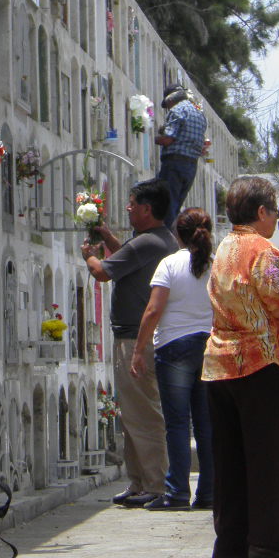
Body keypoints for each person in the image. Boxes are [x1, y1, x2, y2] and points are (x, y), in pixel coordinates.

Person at [202, 176, 279, 558]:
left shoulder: (222, 248)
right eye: (273, 211)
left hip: (220, 364)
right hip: (262, 361)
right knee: (267, 457)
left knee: (230, 458)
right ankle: (266, 540)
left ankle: (231, 540)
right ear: (261, 212)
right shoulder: (262, 250)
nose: (275, 219)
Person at [82, 178, 177, 507]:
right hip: (137, 336)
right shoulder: (158, 240)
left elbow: (104, 272)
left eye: (133, 203)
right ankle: (138, 483)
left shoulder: (148, 242)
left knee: (143, 415)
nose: (128, 208)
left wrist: (89, 255)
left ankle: (153, 483)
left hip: (135, 339)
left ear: (147, 209)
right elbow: (127, 257)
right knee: (134, 413)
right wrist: (107, 236)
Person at [131, 208, 216, 510]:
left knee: (178, 424)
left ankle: (177, 492)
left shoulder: (169, 264)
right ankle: (209, 493)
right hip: (209, 346)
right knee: (207, 425)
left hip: (174, 345)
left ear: (178, 234)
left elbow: (153, 310)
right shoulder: (216, 265)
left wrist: (139, 349)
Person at [153, 86, 206, 225]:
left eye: (167, 104)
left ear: (171, 99)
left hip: (174, 164)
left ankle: (165, 242)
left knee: (166, 206)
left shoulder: (177, 110)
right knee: (176, 207)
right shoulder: (199, 113)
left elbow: (169, 139)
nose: (167, 108)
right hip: (191, 166)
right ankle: (172, 238)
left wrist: (153, 138)